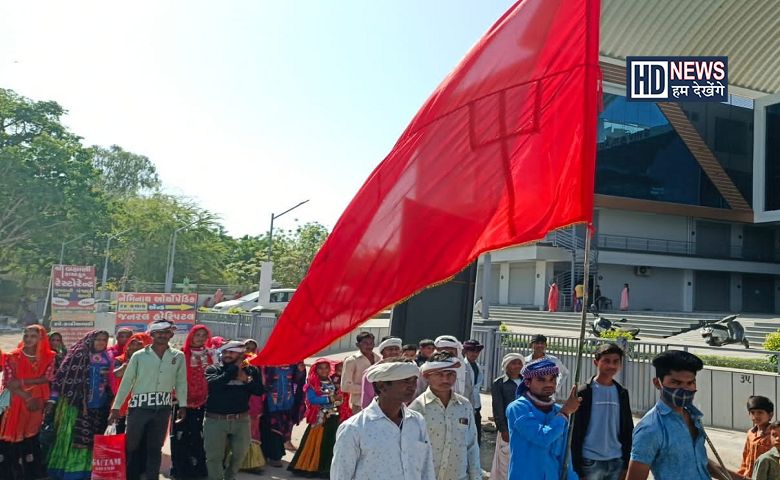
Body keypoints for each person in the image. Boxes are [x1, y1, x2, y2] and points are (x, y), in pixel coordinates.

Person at [626, 350, 741, 480]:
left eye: (690, 383)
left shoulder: (692, 415)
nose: (685, 389)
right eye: (676, 383)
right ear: (658, 383)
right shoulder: (650, 428)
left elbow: (698, 461)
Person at [109, 320, 188, 480]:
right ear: (151, 335)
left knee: (155, 447)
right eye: (159, 332)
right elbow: (127, 382)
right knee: (132, 445)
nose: (163, 335)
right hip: (139, 408)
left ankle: (152, 476)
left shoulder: (178, 356)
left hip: (163, 408)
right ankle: (131, 476)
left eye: (166, 332)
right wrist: (116, 407)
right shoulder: (139, 356)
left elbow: (181, 381)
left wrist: (182, 404)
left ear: (171, 335)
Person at [330, 360, 435, 480]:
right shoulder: (354, 428)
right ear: (382, 386)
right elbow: (341, 475)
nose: (412, 386)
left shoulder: (417, 421)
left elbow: (426, 467)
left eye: (414, 380)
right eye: (405, 381)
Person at [46, 330, 114, 480]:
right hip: (76, 406)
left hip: (99, 406)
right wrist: (52, 400)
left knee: (92, 440)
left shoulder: (108, 357)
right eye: (98, 339)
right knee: (73, 439)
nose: (101, 342)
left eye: (104, 339)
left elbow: (110, 381)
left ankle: (87, 472)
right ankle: (70, 471)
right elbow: (61, 380)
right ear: (90, 340)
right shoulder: (78, 355)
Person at [409, 353, 481, 480]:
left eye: (450, 374)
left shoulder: (464, 405)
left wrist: (476, 476)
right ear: (427, 376)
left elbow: (471, 445)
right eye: (439, 374)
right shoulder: (417, 408)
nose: (445, 380)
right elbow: (410, 451)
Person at [506, 358, 581, 480]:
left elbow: (565, 455)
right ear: (527, 383)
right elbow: (542, 438)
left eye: (552, 379)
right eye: (541, 380)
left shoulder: (558, 411)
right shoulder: (518, 408)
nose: (549, 384)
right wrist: (565, 412)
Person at [0, 325, 56, 479]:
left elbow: (48, 377)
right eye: (26, 335)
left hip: (37, 403)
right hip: (16, 400)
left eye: (33, 336)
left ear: (41, 339)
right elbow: (9, 383)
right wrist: (28, 397)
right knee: (13, 437)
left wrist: (23, 381)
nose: (28, 339)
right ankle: (12, 473)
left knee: (31, 435)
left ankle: (32, 472)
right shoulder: (12, 356)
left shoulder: (49, 357)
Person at [572, 343, 634, 480]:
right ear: (596, 362)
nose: (611, 365)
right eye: (606, 361)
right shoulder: (584, 392)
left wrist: (626, 463)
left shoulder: (622, 393)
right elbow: (575, 432)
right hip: (589, 461)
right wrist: (577, 467)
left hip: (617, 460)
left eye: (616, 361)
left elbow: (628, 429)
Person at [204, 340, 264, 480]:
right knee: (214, 457)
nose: (227, 355)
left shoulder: (251, 371)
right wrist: (233, 370)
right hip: (215, 420)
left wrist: (246, 380)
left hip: (241, 421)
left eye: (232, 352)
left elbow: (259, 391)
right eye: (225, 351)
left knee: (239, 455)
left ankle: (230, 477)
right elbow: (215, 385)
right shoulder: (213, 369)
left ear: (241, 354)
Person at [171, 325, 215, 479]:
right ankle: (180, 469)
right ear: (191, 336)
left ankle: (198, 469)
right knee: (180, 435)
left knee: (198, 435)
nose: (201, 338)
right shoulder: (181, 354)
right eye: (198, 335)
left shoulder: (210, 354)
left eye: (204, 335)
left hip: (203, 401)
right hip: (182, 402)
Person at [288, 358, 343, 477]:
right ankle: (312, 467)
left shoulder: (332, 381)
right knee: (316, 442)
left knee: (330, 442)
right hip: (320, 418)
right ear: (315, 369)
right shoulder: (312, 384)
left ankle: (327, 468)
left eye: (326, 367)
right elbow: (312, 400)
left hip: (333, 417)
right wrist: (330, 399)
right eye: (320, 368)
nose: (324, 370)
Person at [261, 362, 306, 467]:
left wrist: (300, 371)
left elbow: (298, 381)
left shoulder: (294, 363)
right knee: (273, 427)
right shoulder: (268, 361)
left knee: (284, 427)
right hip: (270, 402)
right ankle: (274, 456)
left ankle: (275, 453)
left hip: (287, 401)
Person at [490, 353, 524, 480]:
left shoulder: (527, 381)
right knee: (505, 462)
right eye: (513, 363)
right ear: (506, 366)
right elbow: (497, 408)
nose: (517, 366)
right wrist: (503, 429)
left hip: (526, 427)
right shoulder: (499, 383)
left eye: (519, 363)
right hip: (508, 429)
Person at [113, 332, 152, 436]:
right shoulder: (120, 360)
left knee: (138, 435)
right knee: (119, 434)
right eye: (132, 343)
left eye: (139, 344)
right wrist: (128, 364)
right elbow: (117, 374)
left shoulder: (153, 362)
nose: (134, 347)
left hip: (142, 403)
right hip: (122, 402)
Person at [340, 332, 378, 414]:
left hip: (377, 403)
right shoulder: (351, 361)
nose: (369, 346)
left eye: (371, 343)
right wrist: (368, 389)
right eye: (365, 343)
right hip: (359, 404)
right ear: (358, 345)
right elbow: (345, 386)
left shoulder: (378, 359)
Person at [361, 336, 402, 409]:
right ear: (382, 352)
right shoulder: (372, 372)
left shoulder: (406, 369)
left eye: (396, 349)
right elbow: (367, 399)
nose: (394, 352)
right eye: (390, 349)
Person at [739, 396, 775, 478]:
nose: (755, 416)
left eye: (760, 412)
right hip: (749, 476)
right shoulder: (750, 433)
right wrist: (740, 474)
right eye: (752, 412)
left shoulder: (774, 435)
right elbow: (745, 457)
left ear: (770, 415)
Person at [462, 339, 485, 446]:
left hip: (476, 406)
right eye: (472, 351)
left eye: (477, 351)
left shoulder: (477, 366)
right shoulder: (462, 366)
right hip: (464, 406)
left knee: (476, 438)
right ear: (466, 352)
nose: (475, 354)